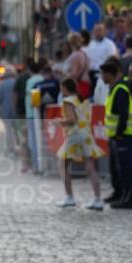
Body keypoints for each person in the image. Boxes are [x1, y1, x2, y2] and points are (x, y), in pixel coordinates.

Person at [54, 77, 104, 210]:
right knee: (90, 167)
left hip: (74, 135)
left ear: (65, 88)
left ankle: (69, 197)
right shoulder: (83, 100)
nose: (60, 89)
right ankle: (98, 199)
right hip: (86, 135)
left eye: (61, 87)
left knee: (62, 164)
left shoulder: (68, 101)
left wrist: (59, 122)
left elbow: (71, 120)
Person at [101, 59, 132, 210]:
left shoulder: (121, 89)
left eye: (103, 74)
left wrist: (119, 133)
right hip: (118, 135)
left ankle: (128, 198)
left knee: (125, 167)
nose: (101, 76)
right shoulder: (116, 87)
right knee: (117, 167)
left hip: (124, 134)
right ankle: (120, 193)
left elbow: (124, 114)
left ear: (110, 74)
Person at [0, 68, 17, 156]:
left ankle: (10, 148)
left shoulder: (2, 84)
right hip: (16, 110)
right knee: (17, 131)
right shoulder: (16, 82)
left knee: (8, 131)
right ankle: (18, 148)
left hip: (5, 110)